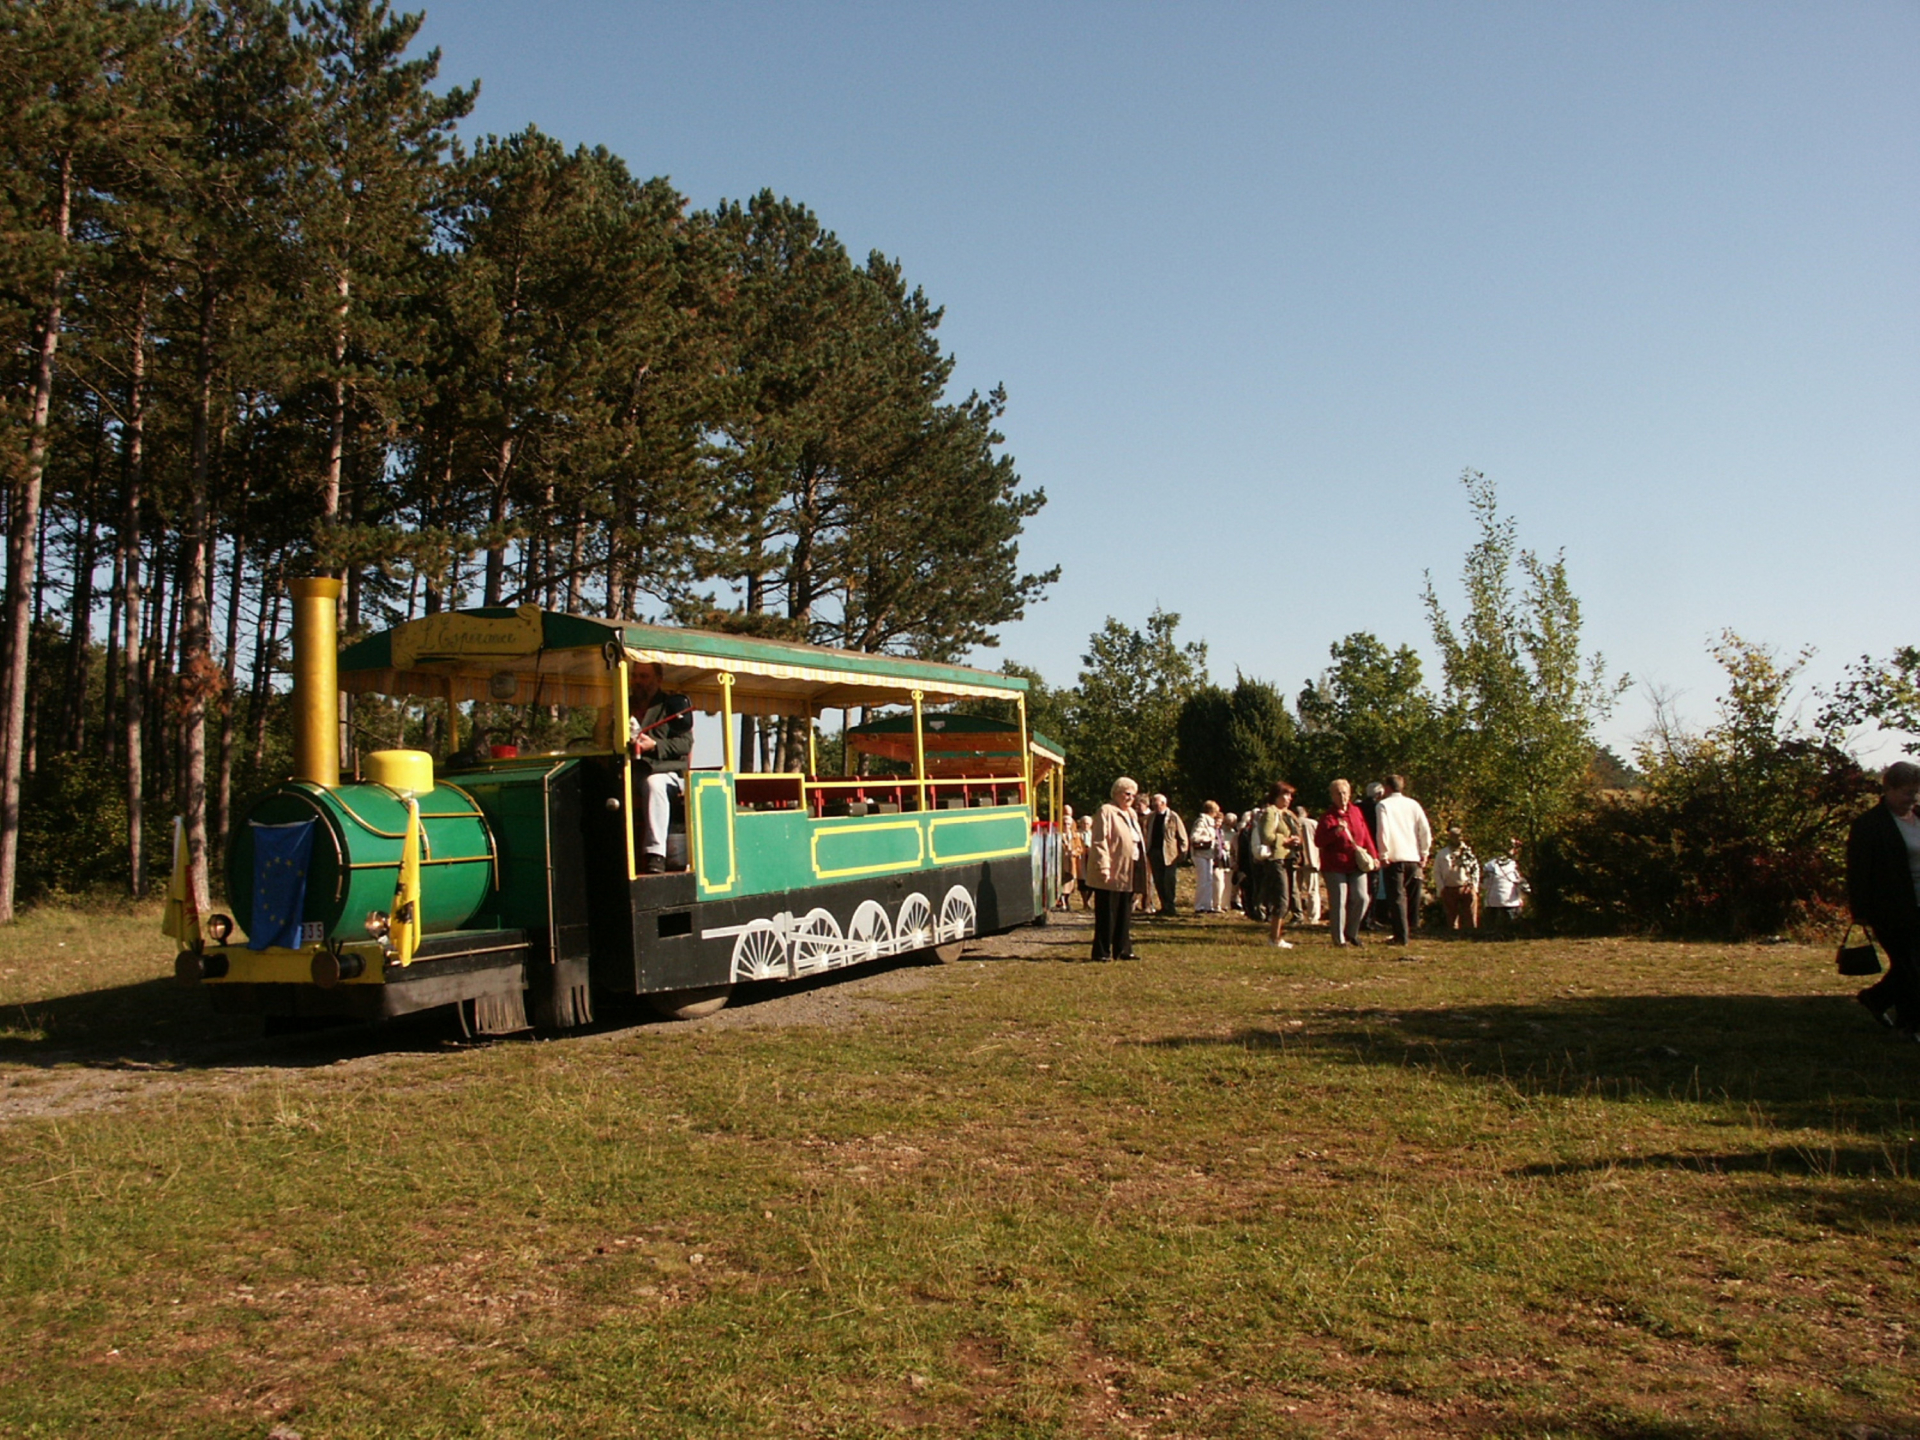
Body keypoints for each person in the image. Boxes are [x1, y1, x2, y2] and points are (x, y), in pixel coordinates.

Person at [599, 661, 693, 873]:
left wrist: (655, 745)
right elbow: (601, 737)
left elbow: (685, 743)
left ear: (658, 680)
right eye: (635, 676)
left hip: (665, 772)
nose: (638, 681)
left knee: (654, 784)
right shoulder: (621, 706)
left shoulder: (673, 705)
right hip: (628, 770)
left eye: (644, 676)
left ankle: (655, 855)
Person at [1849, 760, 1920, 1035]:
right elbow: (1858, 869)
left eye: (1916, 792)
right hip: (1891, 906)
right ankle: (1912, 1023)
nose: (1912, 798)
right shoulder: (1870, 825)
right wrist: (1860, 910)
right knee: (1911, 967)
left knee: (1910, 968)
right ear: (1888, 789)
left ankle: (1877, 999)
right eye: (1906, 792)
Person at [1088, 777, 1146, 962]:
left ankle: (1123, 950)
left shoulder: (1131, 814)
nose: (1130, 798)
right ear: (1116, 793)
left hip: (1129, 870)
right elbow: (1099, 840)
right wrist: (1103, 866)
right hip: (1112, 869)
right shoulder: (1106, 811)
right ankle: (1102, 952)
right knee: (1107, 912)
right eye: (1126, 793)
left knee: (1124, 911)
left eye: (1133, 795)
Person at [1318, 779, 1381, 947]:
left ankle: (1351, 932)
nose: (1342, 796)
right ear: (1332, 796)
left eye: (1345, 792)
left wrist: (1374, 856)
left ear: (1350, 793)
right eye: (1338, 793)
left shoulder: (1356, 812)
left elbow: (1365, 835)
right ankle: (1338, 939)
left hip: (1355, 863)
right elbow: (1319, 841)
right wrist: (1336, 832)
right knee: (1339, 901)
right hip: (1334, 865)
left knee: (1362, 898)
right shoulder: (1328, 817)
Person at [1372, 774, 1433, 946]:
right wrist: (1424, 851)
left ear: (1387, 787)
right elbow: (1424, 829)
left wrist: (1383, 854)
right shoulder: (1413, 804)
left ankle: (1401, 935)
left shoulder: (1384, 805)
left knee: (1396, 897)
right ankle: (1409, 929)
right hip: (1412, 856)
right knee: (1410, 896)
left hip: (1395, 857)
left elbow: (1382, 830)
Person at [1257, 782, 1304, 948]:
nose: (1289, 798)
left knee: (1289, 896)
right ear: (1276, 795)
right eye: (1286, 794)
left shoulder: (1289, 815)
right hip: (1276, 858)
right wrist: (1286, 840)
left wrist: (1297, 841)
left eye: (1291, 795)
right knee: (1282, 898)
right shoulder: (1270, 812)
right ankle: (1274, 938)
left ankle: (1278, 935)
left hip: (1289, 859)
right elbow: (1266, 836)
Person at [1146, 793, 1191, 917]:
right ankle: (1164, 906)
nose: (1155, 807)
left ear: (1164, 803)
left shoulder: (1173, 817)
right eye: (1153, 804)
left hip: (1170, 855)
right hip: (1154, 852)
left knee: (1169, 881)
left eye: (1157, 804)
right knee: (1158, 881)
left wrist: (1183, 852)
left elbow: (1182, 836)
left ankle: (1170, 907)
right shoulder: (1151, 817)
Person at [1433, 826, 1480, 931]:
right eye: (1454, 837)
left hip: (1466, 887)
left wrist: (1474, 886)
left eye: (1459, 837)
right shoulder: (1442, 854)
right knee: (1451, 916)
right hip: (1449, 887)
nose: (1457, 839)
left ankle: (1471, 934)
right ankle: (1452, 937)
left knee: (1470, 916)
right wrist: (1441, 888)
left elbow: (1475, 869)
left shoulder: (1468, 852)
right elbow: (1437, 872)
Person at [1480, 838, 1529, 934]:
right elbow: (1521, 881)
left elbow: (1484, 884)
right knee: (1513, 928)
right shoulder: (1515, 865)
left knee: (1491, 928)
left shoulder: (1489, 865)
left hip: (1492, 900)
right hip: (1511, 900)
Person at [1292, 803, 1322, 925]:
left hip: (1296, 860)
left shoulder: (1292, 822)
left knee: (1296, 890)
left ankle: (1297, 914)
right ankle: (1313, 917)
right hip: (1312, 859)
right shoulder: (1313, 823)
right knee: (1313, 890)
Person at [1190, 801, 1222, 914]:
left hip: (1208, 854)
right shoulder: (1202, 822)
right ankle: (1199, 906)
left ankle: (1208, 905)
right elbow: (1194, 837)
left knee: (1209, 880)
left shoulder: (1210, 823)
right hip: (1200, 854)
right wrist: (1208, 839)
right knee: (1203, 880)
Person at [1058, 804, 1083, 911]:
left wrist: (1074, 852)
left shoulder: (1075, 836)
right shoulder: (1057, 835)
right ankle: (1062, 901)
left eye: (1068, 824)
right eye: (1064, 824)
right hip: (1061, 862)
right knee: (1061, 881)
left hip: (1071, 862)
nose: (1066, 826)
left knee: (1071, 882)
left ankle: (1067, 900)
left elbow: (1080, 848)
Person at [1076, 814, 1096, 909]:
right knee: (1082, 880)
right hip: (1081, 858)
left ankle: (1088, 901)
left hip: (1091, 858)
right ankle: (1084, 902)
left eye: (1087, 823)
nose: (1085, 825)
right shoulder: (1077, 834)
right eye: (1083, 823)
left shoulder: (1094, 834)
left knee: (1092, 880)